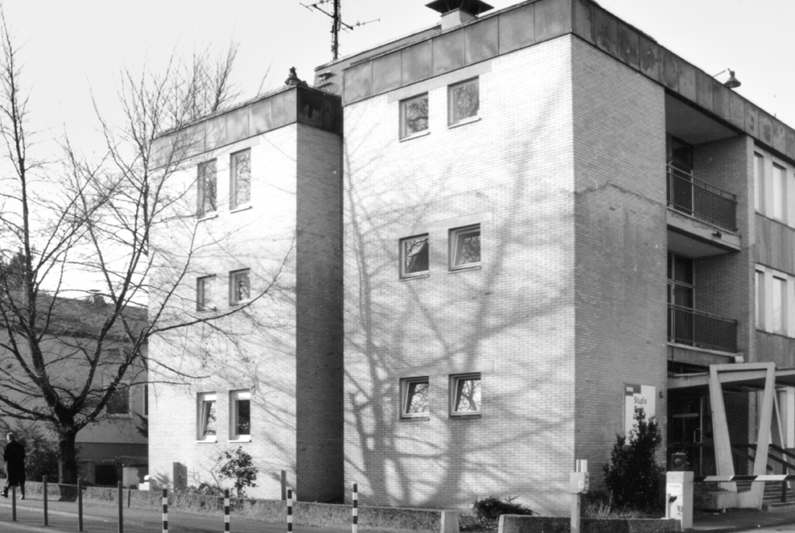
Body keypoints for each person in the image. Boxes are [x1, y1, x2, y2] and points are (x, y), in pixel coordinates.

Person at [2, 432, 25, 499]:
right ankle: (22, 494)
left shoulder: (7, 446)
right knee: (21, 480)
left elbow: (5, 457)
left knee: (9, 478)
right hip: (19, 464)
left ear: (8, 438)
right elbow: (23, 456)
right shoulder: (20, 446)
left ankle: (5, 491)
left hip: (10, 465)